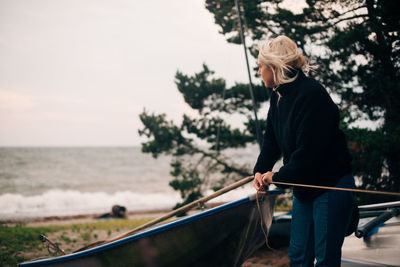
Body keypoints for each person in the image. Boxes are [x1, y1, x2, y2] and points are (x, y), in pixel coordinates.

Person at [252, 35, 355, 267]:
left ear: (275, 66)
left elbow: (308, 153)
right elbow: (271, 141)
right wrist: (260, 171)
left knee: (326, 259)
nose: (259, 72)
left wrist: (278, 177)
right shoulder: (278, 96)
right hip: (305, 186)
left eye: (261, 67)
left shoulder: (312, 94)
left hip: (330, 184)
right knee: (298, 257)